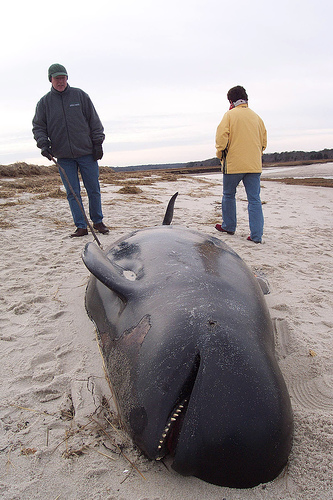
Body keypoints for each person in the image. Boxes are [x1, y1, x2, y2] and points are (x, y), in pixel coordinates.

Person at [32, 63, 109, 237]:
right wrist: (43, 145)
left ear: (67, 78)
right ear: (50, 79)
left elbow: (94, 121)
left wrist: (98, 144)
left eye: (63, 77)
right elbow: (38, 127)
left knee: (93, 189)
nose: (60, 81)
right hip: (63, 156)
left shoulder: (80, 96)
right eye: (57, 78)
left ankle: (97, 222)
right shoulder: (44, 103)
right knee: (72, 193)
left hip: (87, 153)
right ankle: (81, 226)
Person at [215, 85, 267, 243]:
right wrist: (256, 154)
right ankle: (256, 236)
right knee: (254, 199)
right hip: (254, 165)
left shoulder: (229, 116)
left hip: (233, 165)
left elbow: (221, 140)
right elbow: (264, 142)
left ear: (231, 100)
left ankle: (229, 226)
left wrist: (220, 155)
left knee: (229, 195)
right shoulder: (257, 117)